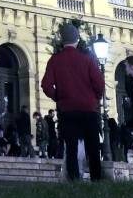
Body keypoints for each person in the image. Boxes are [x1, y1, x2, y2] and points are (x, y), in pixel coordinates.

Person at [41, 24, 106, 182]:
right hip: (89, 109)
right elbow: (100, 84)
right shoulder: (87, 59)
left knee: (71, 148)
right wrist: (95, 99)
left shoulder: (55, 60)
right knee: (93, 147)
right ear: (77, 39)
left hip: (68, 110)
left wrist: (60, 97)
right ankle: (96, 180)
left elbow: (46, 85)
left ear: (62, 41)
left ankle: (74, 179)